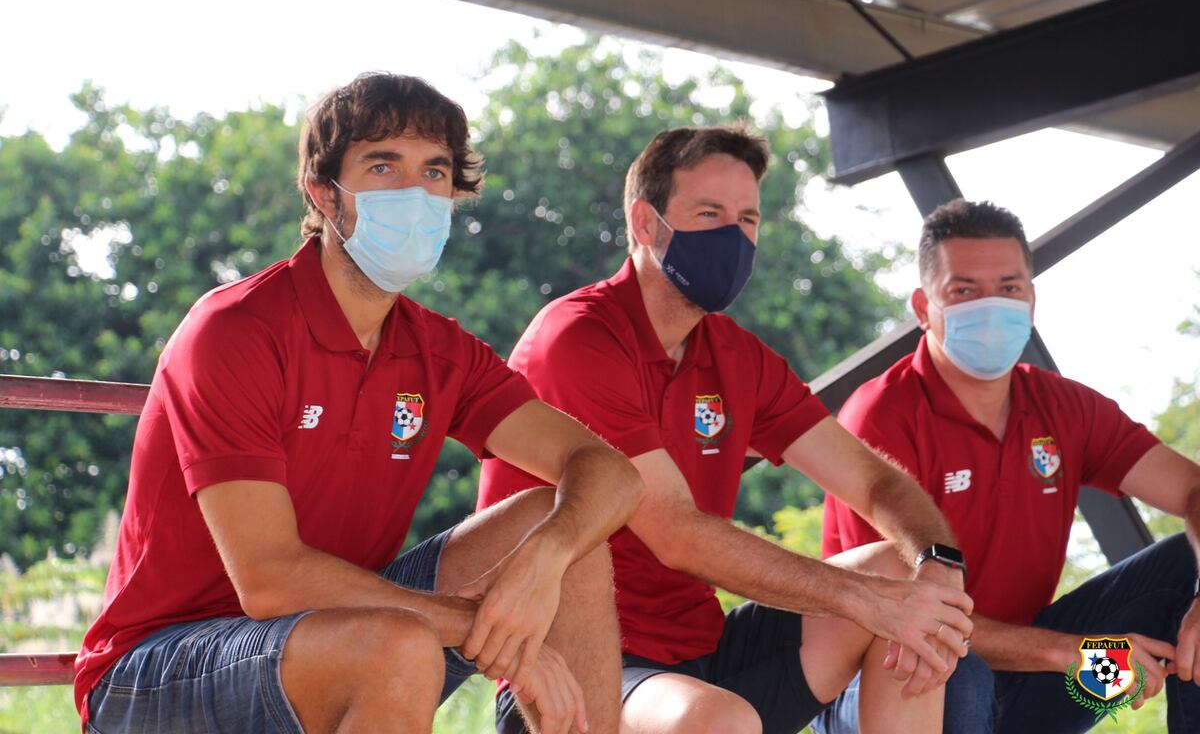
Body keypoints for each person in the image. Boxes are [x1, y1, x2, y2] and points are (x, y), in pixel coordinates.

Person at [74, 72, 643, 734]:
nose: (415, 191)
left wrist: (545, 559)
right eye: (383, 165)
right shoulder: (237, 330)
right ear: (324, 192)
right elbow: (270, 581)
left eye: (435, 172)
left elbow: (609, 472)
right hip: (158, 668)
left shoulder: (438, 351)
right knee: (393, 645)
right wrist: (499, 636)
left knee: (564, 526)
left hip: (331, 636)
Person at [478, 126, 976, 734]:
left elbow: (872, 481)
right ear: (645, 222)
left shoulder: (736, 356)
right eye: (708, 213)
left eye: (747, 220)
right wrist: (867, 602)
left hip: (702, 653)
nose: (733, 237)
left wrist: (938, 567)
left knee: (910, 591)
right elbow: (675, 534)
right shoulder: (578, 339)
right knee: (718, 720)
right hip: (573, 670)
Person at [819, 199, 1200, 733]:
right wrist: (1075, 654)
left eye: (1009, 287)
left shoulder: (1063, 407)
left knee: (1192, 561)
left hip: (1031, 677)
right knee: (956, 667)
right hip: (884, 683)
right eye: (964, 291)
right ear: (924, 306)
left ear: (1032, 299)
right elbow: (907, 613)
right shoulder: (883, 415)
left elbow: (1192, 489)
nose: (990, 305)